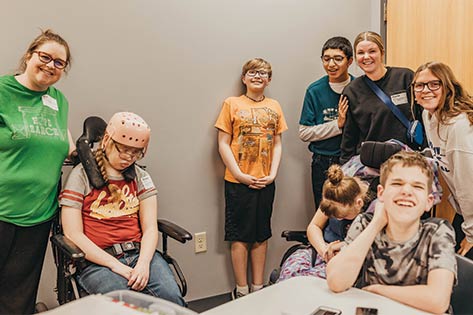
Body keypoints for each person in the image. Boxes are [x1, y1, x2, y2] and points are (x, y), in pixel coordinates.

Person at [60, 112, 185, 306]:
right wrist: (116, 266)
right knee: (129, 306)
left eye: (136, 152)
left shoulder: (141, 177)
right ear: (108, 140)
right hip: (98, 262)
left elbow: (150, 228)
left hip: (138, 254)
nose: (129, 157)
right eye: (124, 150)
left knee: (171, 301)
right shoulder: (81, 177)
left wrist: (143, 263)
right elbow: (73, 234)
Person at [0, 29, 75, 314]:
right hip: (2, 210)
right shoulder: (3, 90)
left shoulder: (59, 100)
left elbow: (62, 140)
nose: (51, 66)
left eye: (59, 63)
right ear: (29, 55)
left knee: (18, 296)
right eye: (45, 57)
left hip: (38, 215)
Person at [326, 151, 456, 314]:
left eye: (417, 186)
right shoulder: (365, 224)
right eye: (397, 183)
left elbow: (438, 301)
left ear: (429, 202)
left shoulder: (437, 232)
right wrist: (376, 224)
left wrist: (377, 291)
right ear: (381, 193)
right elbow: (336, 281)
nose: (407, 191)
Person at [215, 58, 288, 299]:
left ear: (269, 80)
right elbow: (223, 143)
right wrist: (239, 174)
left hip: (266, 182)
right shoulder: (232, 103)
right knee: (239, 235)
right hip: (238, 183)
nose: (258, 76)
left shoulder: (274, 106)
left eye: (263, 73)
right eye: (253, 72)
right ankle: (242, 290)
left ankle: (258, 288)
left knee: (261, 234)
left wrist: (273, 173)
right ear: (244, 78)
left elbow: (277, 143)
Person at [412, 61, 473, 259]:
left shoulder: (459, 125)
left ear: (447, 87)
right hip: (465, 211)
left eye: (434, 84)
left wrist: (471, 235)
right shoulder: (428, 115)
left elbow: (468, 185)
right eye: (419, 85)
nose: (426, 90)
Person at [340, 31, 423, 164]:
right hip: (372, 163)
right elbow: (349, 137)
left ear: (382, 53)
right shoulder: (351, 90)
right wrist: (346, 167)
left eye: (372, 51)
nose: (366, 57)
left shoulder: (405, 77)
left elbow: (423, 115)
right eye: (361, 53)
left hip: (406, 160)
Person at [278, 164, 369, 281]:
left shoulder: (372, 212)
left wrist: (341, 247)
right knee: (290, 274)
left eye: (342, 216)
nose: (338, 219)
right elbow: (314, 226)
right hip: (322, 250)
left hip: (347, 260)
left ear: (358, 203)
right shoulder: (334, 194)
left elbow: (369, 245)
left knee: (308, 282)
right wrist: (324, 250)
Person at [299, 36, 354, 208]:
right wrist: (337, 125)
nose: (331, 64)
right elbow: (304, 132)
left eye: (338, 59)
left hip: (353, 160)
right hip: (323, 161)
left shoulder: (359, 87)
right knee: (325, 209)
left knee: (350, 210)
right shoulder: (315, 90)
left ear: (350, 61)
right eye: (326, 59)